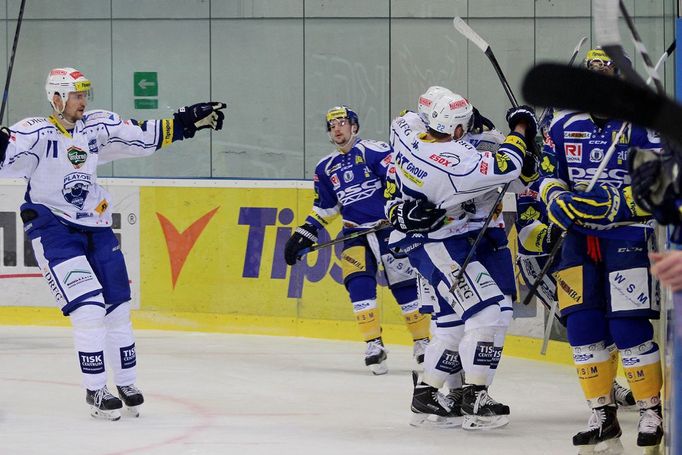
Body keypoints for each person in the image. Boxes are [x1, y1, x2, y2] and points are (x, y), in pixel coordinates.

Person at [0, 67, 226, 420]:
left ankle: (127, 382)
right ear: (56, 98)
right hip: (52, 226)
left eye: (84, 93)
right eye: (75, 94)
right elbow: (7, 161)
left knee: (118, 307)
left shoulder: (97, 125)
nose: (82, 101)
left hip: (97, 222)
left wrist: (184, 123)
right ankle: (95, 390)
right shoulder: (33, 132)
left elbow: (141, 136)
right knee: (88, 309)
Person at [385, 85, 538, 430]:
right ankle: (474, 395)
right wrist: (521, 132)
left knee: (454, 325)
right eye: (463, 123)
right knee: (488, 314)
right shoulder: (456, 162)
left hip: (449, 240)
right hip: (444, 245)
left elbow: (415, 110)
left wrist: (475, 120)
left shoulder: (406, 130)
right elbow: (508, 165)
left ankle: (426, 396)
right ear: (455, 129)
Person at [539, 48, 663, 452]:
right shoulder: (562, 125)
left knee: (627, 326)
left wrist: (616, 203)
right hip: (576, 238)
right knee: (581, 326)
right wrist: (556, 199)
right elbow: (546, 175)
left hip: (626, 236)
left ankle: (649, 409)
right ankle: (602, 413)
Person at [283, 105, 430, 375]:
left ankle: (422, 343)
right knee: (358, 285)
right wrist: (305, 232)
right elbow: (326, 208)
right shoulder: (325, 167)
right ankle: (374, 344)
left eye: (342, 122)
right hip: (353, 234)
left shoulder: (375, 151)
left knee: (405, 285)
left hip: (389, 231)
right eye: (332, 125)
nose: (337, 128)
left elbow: (399, 181)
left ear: (355, 126)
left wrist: (405, 211)